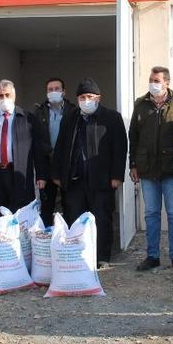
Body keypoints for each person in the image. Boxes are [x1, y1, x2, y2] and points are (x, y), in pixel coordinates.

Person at [52, 77, 127, 266]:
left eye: (91, 96)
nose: (87, 100)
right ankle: (79, 255)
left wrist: (117, 175)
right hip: (75, 179)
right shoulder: (70, 118)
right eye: (83, 97)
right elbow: (60, 147)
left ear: (99, 98)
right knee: (75, 218)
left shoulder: (111, 118)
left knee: (102, 218)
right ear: (77, 99)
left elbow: (120, 148)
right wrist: (57, 174)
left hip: (101, 180)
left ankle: (101, 257)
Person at [129, 66, 173, 273]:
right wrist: (133, 164)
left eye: (157, 80)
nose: (153, 83)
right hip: (147, 170)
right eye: (151, 79)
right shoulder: (141, 104)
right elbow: (133, 137)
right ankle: (152, 256)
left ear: (167, 82)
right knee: (151, 214)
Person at [0, 80, 47, 215]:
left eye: (7, 95)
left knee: (20, 215)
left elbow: (37, 150)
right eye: (1, 96)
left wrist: (41, 175)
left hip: (19, 174)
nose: (4, 99)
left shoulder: (28, 119)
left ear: (14, 96)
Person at [34, 77, 77, 226]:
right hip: (47, 165)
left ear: (63, 92)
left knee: (70, 206)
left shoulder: (73, 111)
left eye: (57, 89)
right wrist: (40, 173)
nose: (53, 92)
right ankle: (46, 241)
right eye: (50, 90)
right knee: (46, 207)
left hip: (67, 166)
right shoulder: (39, 113)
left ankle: (68, 240)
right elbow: (37, 143)